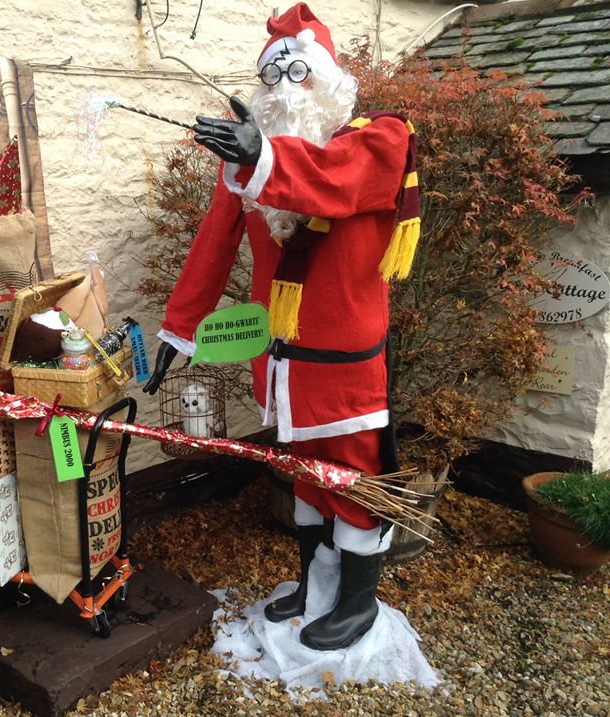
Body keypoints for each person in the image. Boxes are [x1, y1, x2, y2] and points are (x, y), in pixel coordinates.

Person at [142, 3, 420, 651]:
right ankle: (316, 585)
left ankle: (356, 603)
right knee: (302, 473)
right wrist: (178, 331)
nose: (285, 87)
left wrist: (263, 154)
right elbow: (212, 246)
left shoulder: (379, 141)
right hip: (279, 355)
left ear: (330, 79)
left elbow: (331, 180)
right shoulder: (249, 165)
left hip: (345, 360)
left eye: (298, 71)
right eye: (272, 75)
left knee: (353, 478)